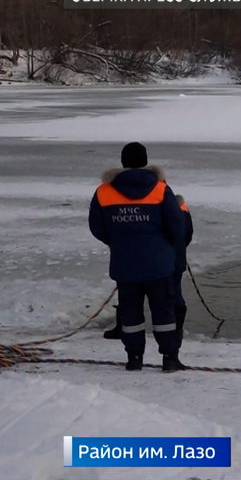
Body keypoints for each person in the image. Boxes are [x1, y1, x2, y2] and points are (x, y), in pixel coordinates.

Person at [89, 142, 186, 372]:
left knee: (130, 312)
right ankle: (169, 358)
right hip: (158, 264)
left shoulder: (104, 191)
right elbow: (176, 225)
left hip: (125, 264)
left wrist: (117, 242)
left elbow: (97, 226)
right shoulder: (160, 189)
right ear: (145, 161)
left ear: (123, 162)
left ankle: (134, 358)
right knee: (164, 311)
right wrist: (164, 246)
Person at [172, 194, 194, 342]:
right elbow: (188, 235)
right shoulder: (184, 211)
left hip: (160, 260)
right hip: (177, 258)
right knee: (175, 292)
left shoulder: (161, 210)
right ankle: (177, 328)